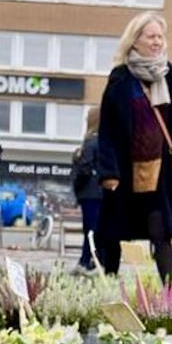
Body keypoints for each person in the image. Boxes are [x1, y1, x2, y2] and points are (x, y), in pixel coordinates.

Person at [96, 11, 172, 281]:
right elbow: (107, 129)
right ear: (135, 40)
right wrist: (108, 172)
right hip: (125, 170)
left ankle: (170, 298)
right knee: (114, 234)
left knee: (161, 232)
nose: (157, 42)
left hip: (160, 170)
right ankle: (108, 289)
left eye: (160, 36)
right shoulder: (120, 79)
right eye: (151, 36)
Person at [72, 106, 104, 275]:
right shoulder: (104, 141)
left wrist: (78, 186)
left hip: (90, 192)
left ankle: (88, 260)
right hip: (101, 191)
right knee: (96, 228)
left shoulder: (90, 142)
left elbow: (84, 168)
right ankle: (91, 260)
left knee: (90, 229)